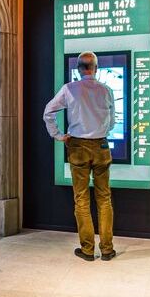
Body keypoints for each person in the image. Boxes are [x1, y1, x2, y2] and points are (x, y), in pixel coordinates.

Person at [43, 51, 117, 261]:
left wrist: (57, 135)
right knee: (104, 198)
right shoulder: (106, 90)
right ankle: (107, 249)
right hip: (101, 145)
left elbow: (48, 111)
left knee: (82, 199)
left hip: (78, 147)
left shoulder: (70, 88)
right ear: (96, 68)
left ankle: (87, 250)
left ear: (78, 69)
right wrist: (104, 131)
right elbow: (112, 120)